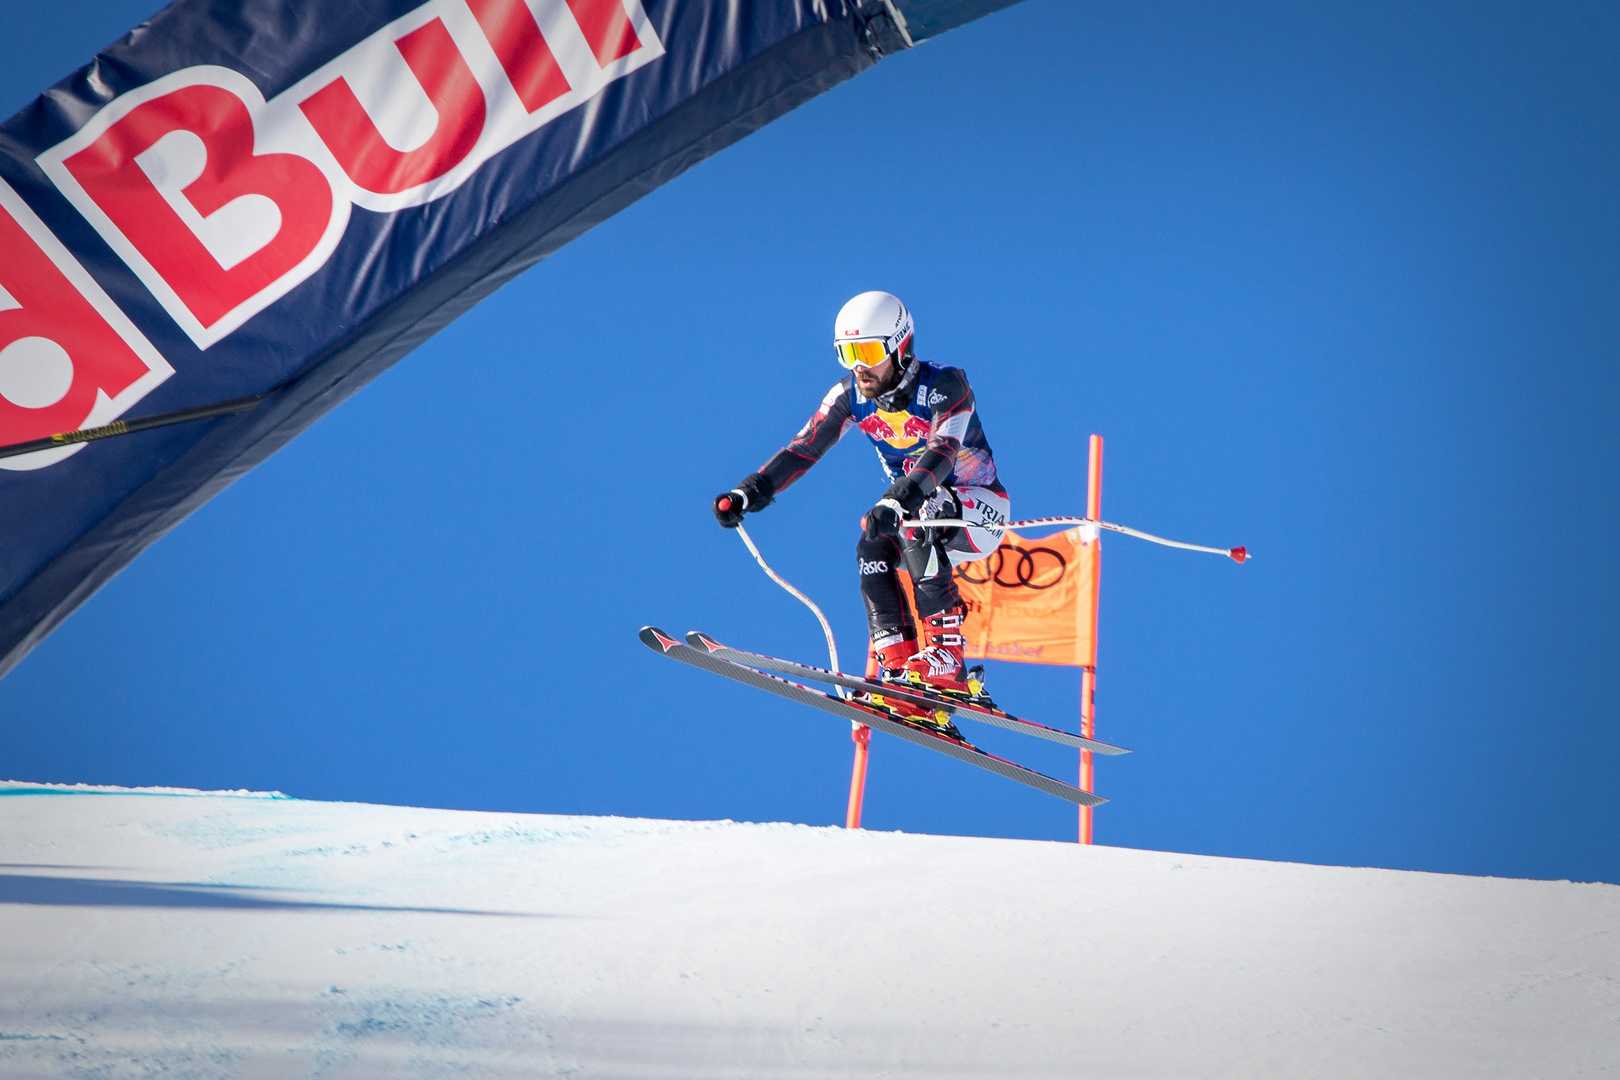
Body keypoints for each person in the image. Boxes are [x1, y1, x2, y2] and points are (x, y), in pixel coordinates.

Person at [712, 291, 1008, 696]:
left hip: (980, 512)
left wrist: (899, 499)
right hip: (913, 516)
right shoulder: (849, 395)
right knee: (871, 548)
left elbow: (943, 450)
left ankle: (947, 657)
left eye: (867, 351)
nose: (858, 366)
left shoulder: (944, 384)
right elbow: (804, 448)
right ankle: (901, 666)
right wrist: (748, 492)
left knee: (918, 512)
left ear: (900, 347)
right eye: (846, 352)